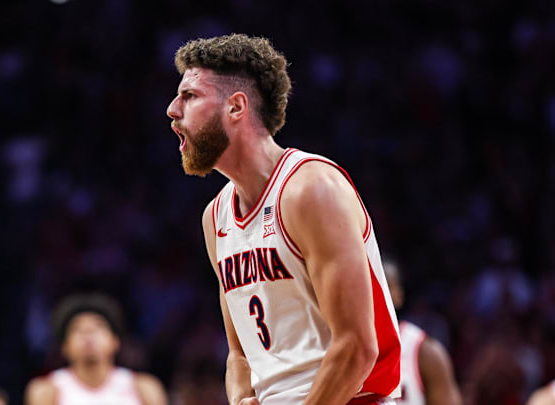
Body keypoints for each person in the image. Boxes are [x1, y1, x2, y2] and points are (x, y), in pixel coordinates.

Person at [166, 33, 401, 405]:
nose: (172, 109)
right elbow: (240, 355)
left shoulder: (311, 189)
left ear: (236, 107)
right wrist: (242, 396)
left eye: (190, 96)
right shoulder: (215, 217)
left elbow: (356, 347)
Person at [24, 293, 167, 405]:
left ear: (115, 341)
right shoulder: (46, 390)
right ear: (64, 347)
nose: (88, 335)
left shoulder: (144, 387)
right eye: (77, 329)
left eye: (98, 327)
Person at [382, 258, 462, 405]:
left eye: (384, 287)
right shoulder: (337, 344)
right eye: (369, 287)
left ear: (399, 296)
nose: (376, 295)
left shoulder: (424, 352)